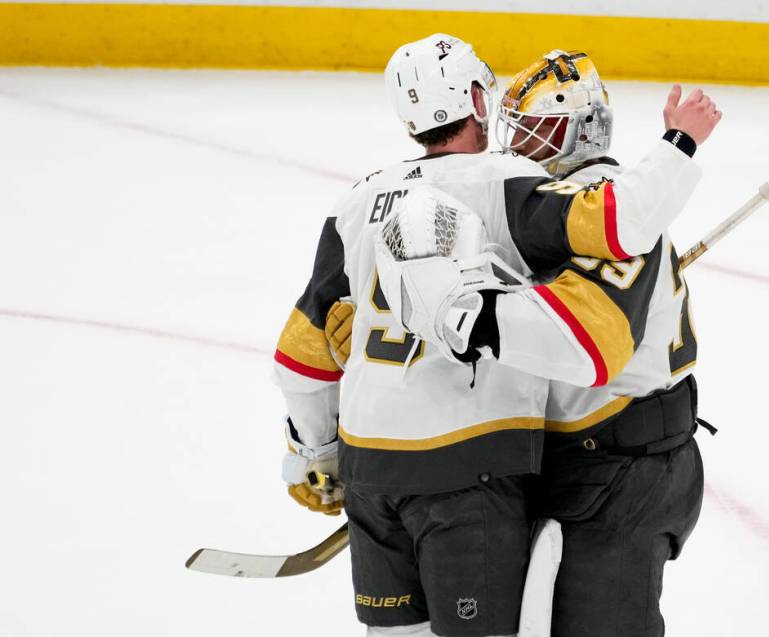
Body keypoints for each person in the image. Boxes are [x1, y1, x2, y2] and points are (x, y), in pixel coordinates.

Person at [272, 34, 717, 636]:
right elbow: (620, 221)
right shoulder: (509, 186)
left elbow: (302, 353)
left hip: (612, 468)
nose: (525, 140)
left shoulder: (359, 201)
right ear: (479, 101)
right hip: (483, 466)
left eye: (543, 128)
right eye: (522, 123)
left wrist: (314, 452)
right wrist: (678, 146)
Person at [493, 49, 714, 636]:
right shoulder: (576, 206)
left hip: (624, 467)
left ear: (579, 131)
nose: (519, 144)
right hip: (606, 455)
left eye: (537, 129)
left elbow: (591, 349)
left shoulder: (605, 204)